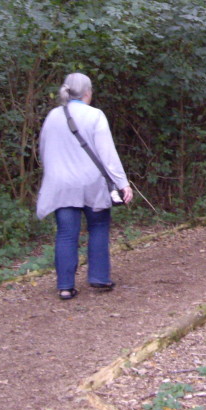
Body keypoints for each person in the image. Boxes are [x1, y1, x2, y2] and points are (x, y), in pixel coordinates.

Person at [36, 73, 133, 300]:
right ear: (88, 92)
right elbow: (107, 153)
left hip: (61, 184)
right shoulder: (95, 115)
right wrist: (122, 183)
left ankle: (65, 287)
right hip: (92, 182)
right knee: (98, 227)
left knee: (66, 234)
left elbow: (43, 150)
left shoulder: (52, 116)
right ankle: (99, 277)